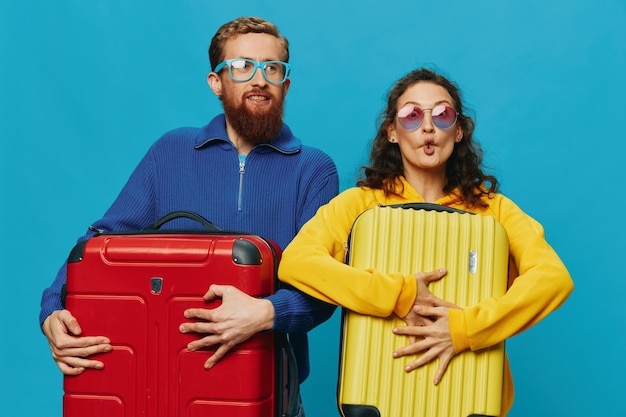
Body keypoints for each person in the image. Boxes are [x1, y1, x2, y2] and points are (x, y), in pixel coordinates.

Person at [39, 16, 338, 416]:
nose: (259, 79)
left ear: (285, 83)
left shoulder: (314, 169)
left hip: (269, 393)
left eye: (272, 68)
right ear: (216, 82)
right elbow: (100, 240)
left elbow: (326, 286)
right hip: (166, 383)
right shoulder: (172, 152)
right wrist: (51, 311)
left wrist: (266, 313)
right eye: (242, 66)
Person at [278, 67, 573, 415]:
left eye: (443, 115)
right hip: (377, 399)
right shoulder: (359, 205)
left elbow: (553, 279)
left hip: (470, 400)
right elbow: (296, 262)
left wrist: (465, 329)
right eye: (412, 115)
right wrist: (399, 295)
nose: (428, 127)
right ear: (391, 131)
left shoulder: (494, 211)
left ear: (459, 130)